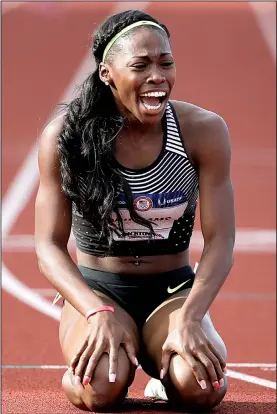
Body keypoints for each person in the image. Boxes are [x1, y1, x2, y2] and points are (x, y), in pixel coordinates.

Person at [35, 9, 235, 413]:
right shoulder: (66, 137)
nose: (157, 75)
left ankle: (165, 376)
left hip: (172, 290)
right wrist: (94, 312)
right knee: (101, 389)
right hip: (99, 290)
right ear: (108, 73)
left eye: (166, 62)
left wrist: (190, 316)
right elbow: (47, 247)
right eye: (140, 65)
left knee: (201, 389)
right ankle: (94, 367)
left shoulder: (203, 131)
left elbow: (220, 240)